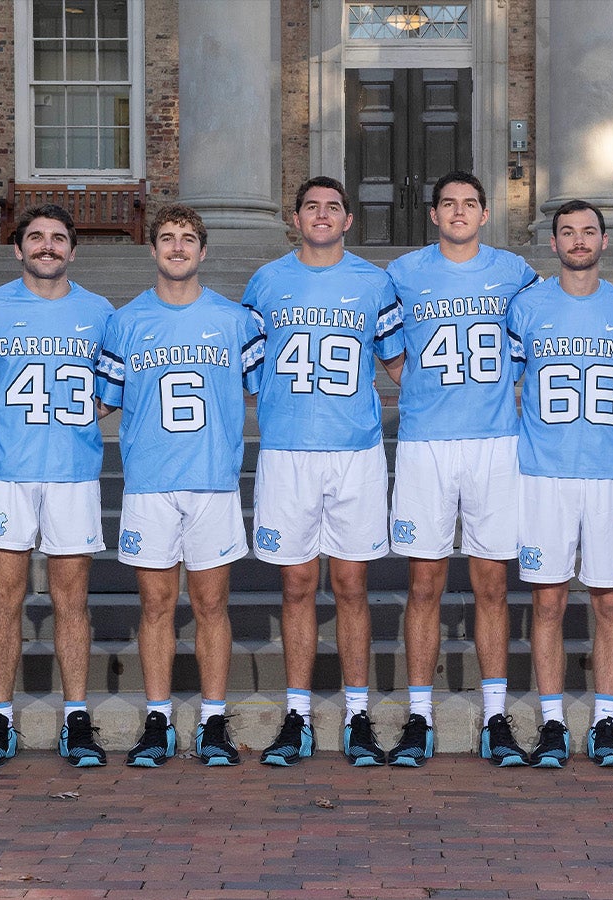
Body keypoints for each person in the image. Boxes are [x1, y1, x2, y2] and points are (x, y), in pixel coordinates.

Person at [243, 176, 405, 766]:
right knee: (296, 584)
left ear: (348, 220)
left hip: (355, 450)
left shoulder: (374, 281)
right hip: (287, 449)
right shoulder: (267, 281)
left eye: (332, 207)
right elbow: (249, 367)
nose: (321, 215)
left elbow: (397, 364)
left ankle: (358, 713)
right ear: (295, 217)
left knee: (352, 583)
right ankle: (298, 713)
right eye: (311, 206)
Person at [384, 171, 539, 766]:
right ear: (433, 214)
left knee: (492, 583)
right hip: (427, 440)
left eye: (469, 204)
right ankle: (419, 717)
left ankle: (495, 715)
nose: (458, 212)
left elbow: (543, 328)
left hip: (495, 441)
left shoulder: (514, 271)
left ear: (484, 213)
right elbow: (384, 340)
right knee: (424, 581)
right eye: (448, 204)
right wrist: (416, 384)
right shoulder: (403, 273)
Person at [101, 204, 261, 767]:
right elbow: (103, 401)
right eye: (166, 238)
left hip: (213, 480)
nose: (177, 248)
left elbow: (262, 390)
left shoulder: (235, 320)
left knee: (213, 603)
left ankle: (214, 720)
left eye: (187, 239)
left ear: (203, 250)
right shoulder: (125, 322)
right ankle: (158, 719)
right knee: (156, 603)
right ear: (152, 250)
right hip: (149, 481)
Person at [506, 199, 613, 768]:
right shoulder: (527, 308)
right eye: (566, 232)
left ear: (603, 241)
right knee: (547, 600)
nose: (577, 240)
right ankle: (550, 724)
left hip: (611, 475)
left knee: (610, 601)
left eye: (587, 231)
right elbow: (507, 388)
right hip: (544, 473)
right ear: (553, 243)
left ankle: (604, 723)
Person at [0, 204, 112, 770]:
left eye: (57, 239)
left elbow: (111, 389)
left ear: (73, 250)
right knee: (3, 600)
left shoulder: (100, 312)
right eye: (35, 238)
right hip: (7, 474)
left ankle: (77, 717)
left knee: (71, 599)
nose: (46, 246)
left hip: (73, 473)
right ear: (17, 249)